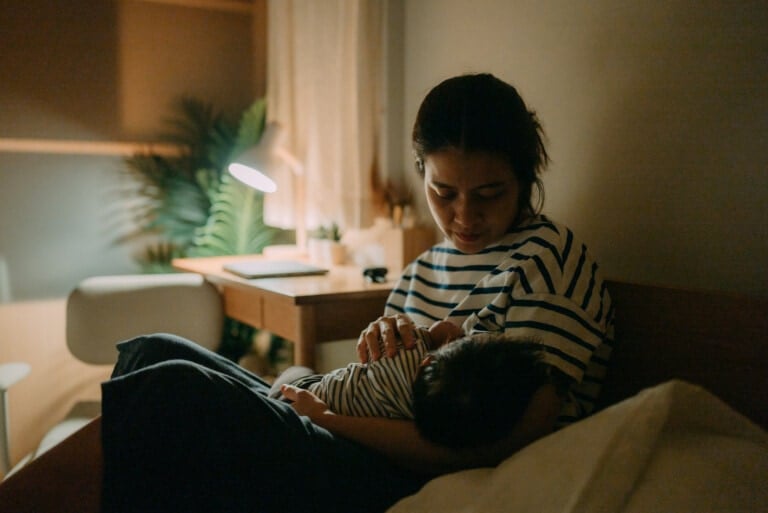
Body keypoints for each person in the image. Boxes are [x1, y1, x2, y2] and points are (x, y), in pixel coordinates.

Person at [0, 72, 613, 513]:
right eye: (443, 192)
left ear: (525, 180)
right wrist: (359, 361)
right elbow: (377, 382)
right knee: (159, 350)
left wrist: (327, 417)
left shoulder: (548, 259)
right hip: (347, 428)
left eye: (489, 194)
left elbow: (509, 439)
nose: (462, 217)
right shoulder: (425, 269)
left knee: (172, 394)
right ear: (421, 172)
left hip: (395, 470)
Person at [274, 325, 550, 449]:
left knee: (295, 371)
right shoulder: (422, 419)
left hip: (304, 394)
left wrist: (434, 333)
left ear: (429, 359)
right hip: (312, 413)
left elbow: (411, 336)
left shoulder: (407, 352)